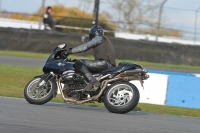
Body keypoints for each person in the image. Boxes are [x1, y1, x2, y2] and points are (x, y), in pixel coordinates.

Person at [62, 25, 116, 91]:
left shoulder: (99, 38)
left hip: (104, 63)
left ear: (92, 34)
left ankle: (92, 81)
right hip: (107, 63)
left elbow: (85, 47)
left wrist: (70, 51)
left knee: (79, 62)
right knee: (81, 62)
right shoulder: (104, 39)